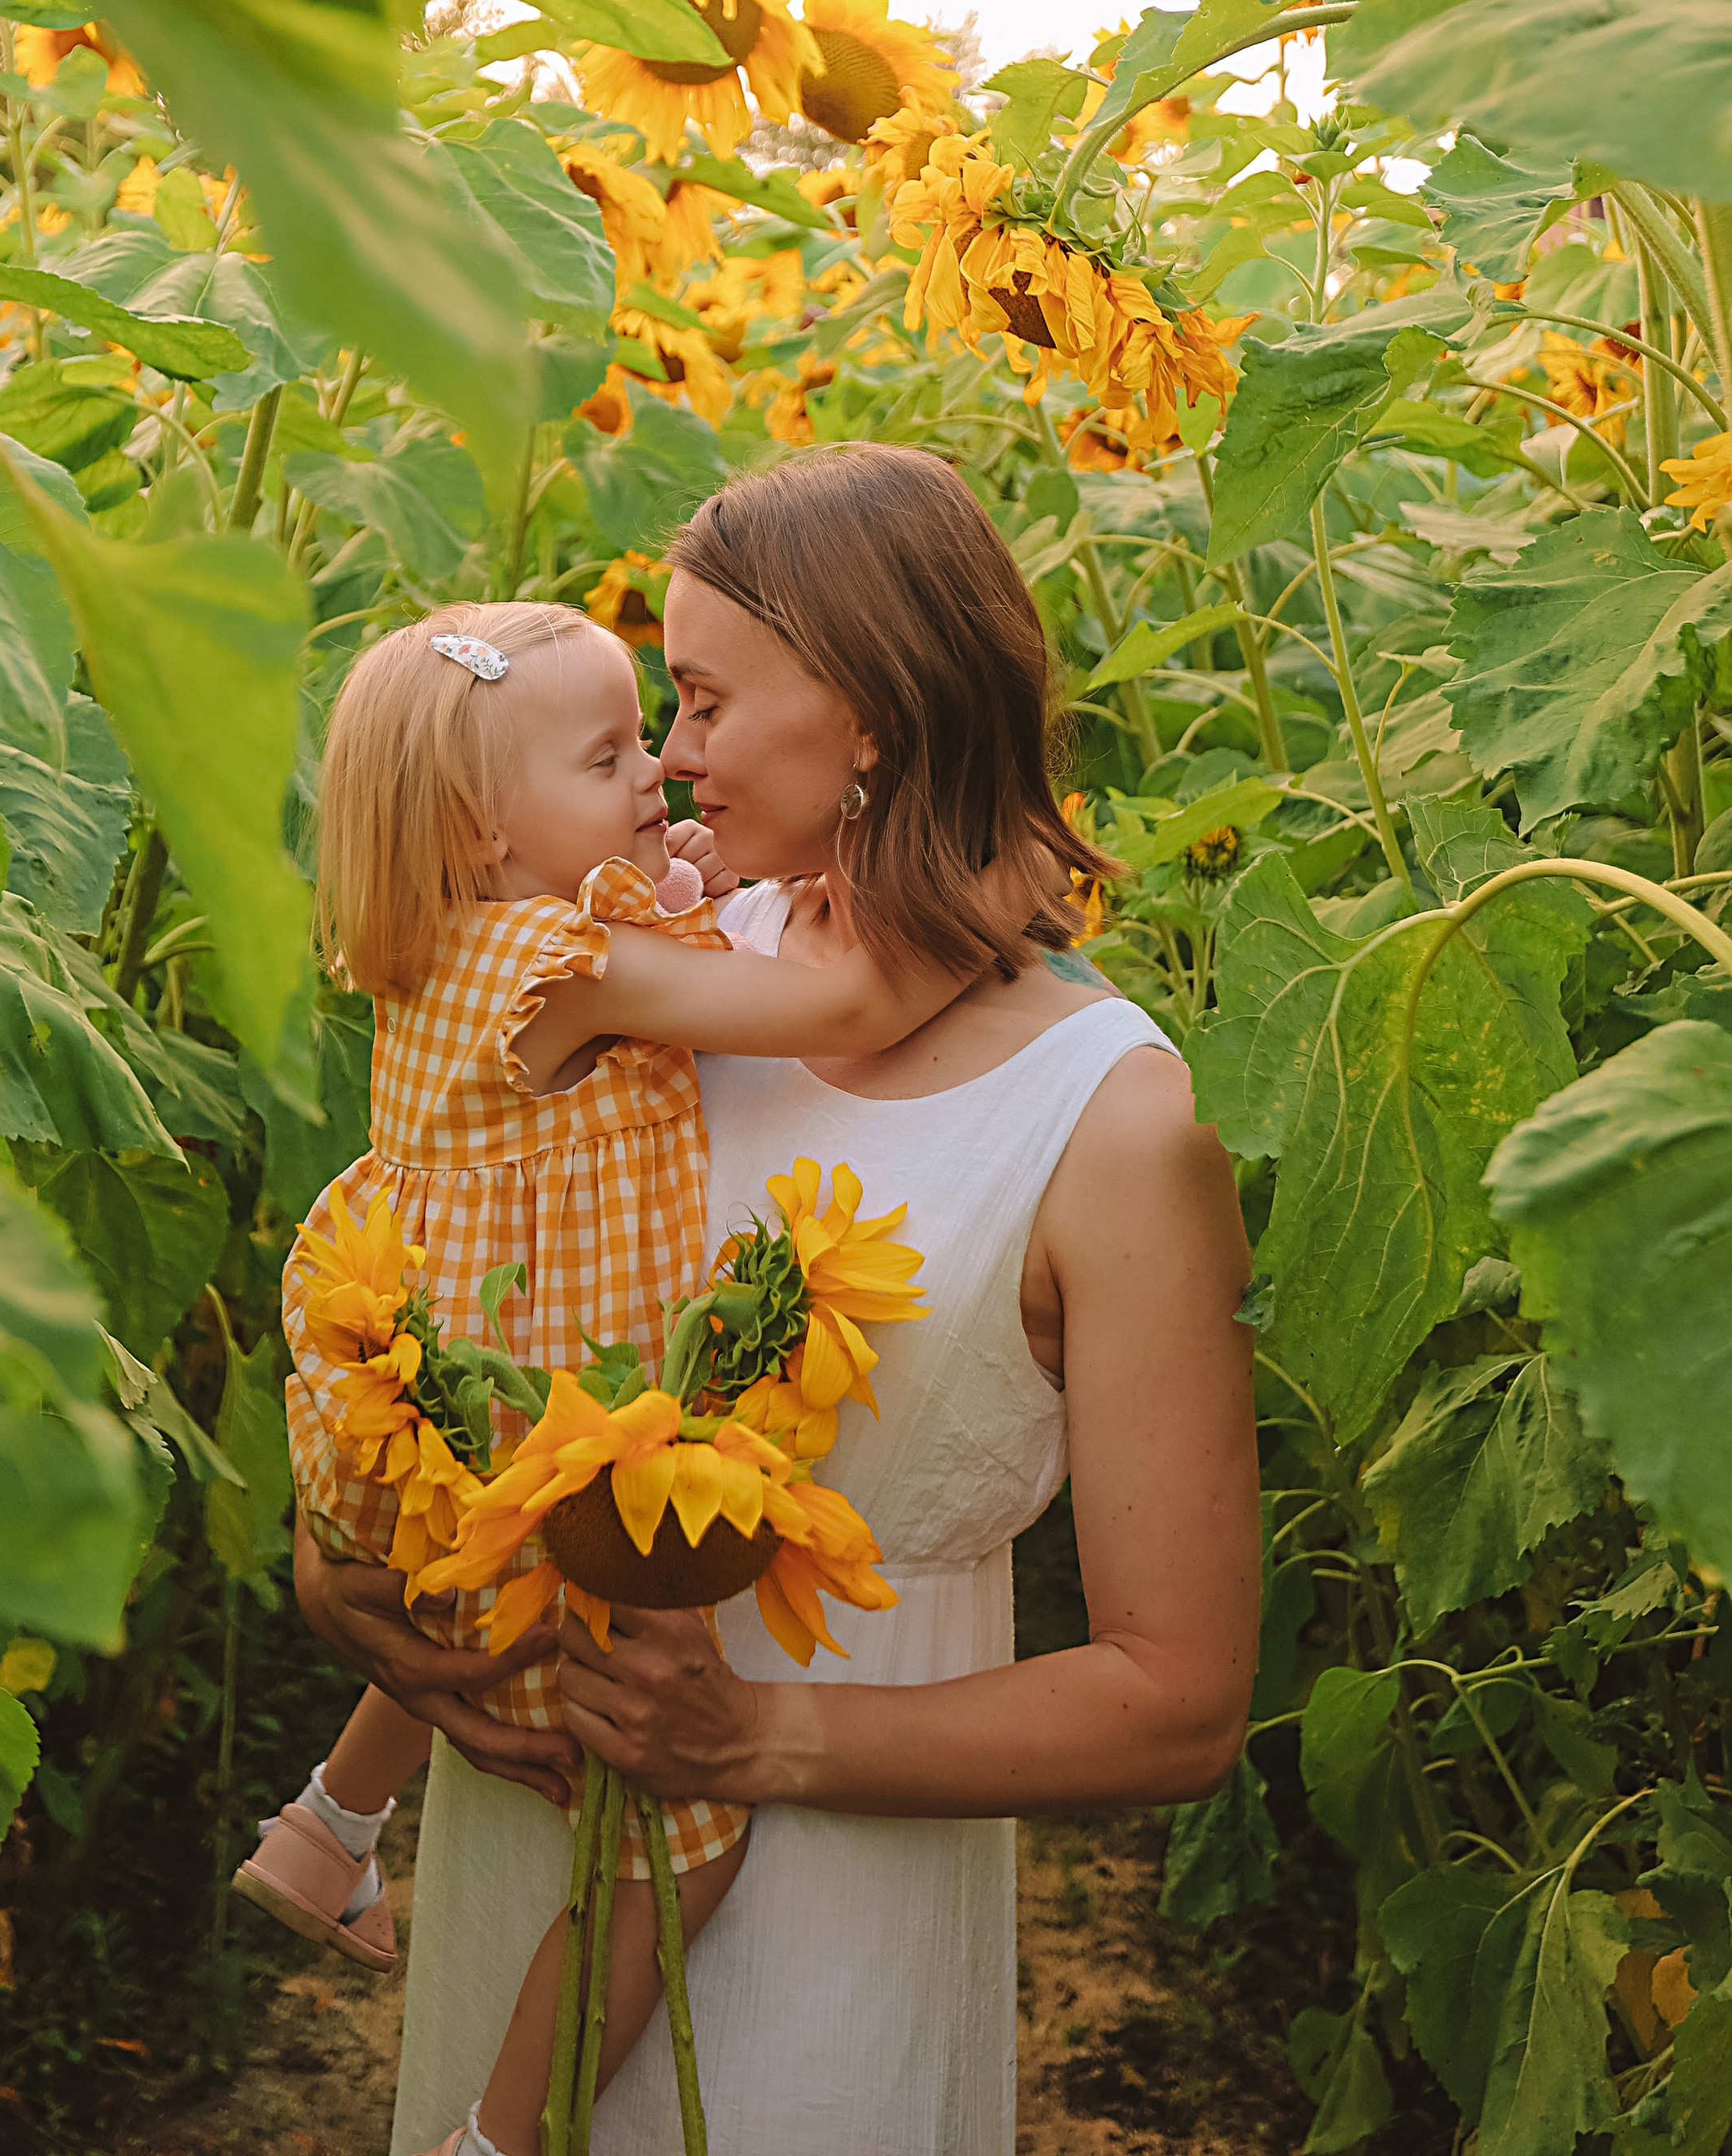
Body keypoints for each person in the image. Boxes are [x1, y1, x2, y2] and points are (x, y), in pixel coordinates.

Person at [293, 445, 1262, 2156]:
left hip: (825, 1896)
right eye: (651, 713)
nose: (669, 757)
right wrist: (352, 1578)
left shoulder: (1115, 1112)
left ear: (871, 714)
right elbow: (468, 1286)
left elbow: (1176, 1696)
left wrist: (752, 1739)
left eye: (704, 699)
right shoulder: (654, 967)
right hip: (533, 1817)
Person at [239, 595, 966, 2156]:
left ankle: (327, 1826)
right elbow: (839, 1004)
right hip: (572, 1428)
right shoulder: (558, 968)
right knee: (683, 1848)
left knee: (465, 1608)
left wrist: (668, 876)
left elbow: (652, 912)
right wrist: (979, 890)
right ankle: (499, 2140)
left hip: (460, 1398)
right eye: (606, 753)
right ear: (480, 828)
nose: (653, 771)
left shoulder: (461, 945)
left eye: (651, 729)